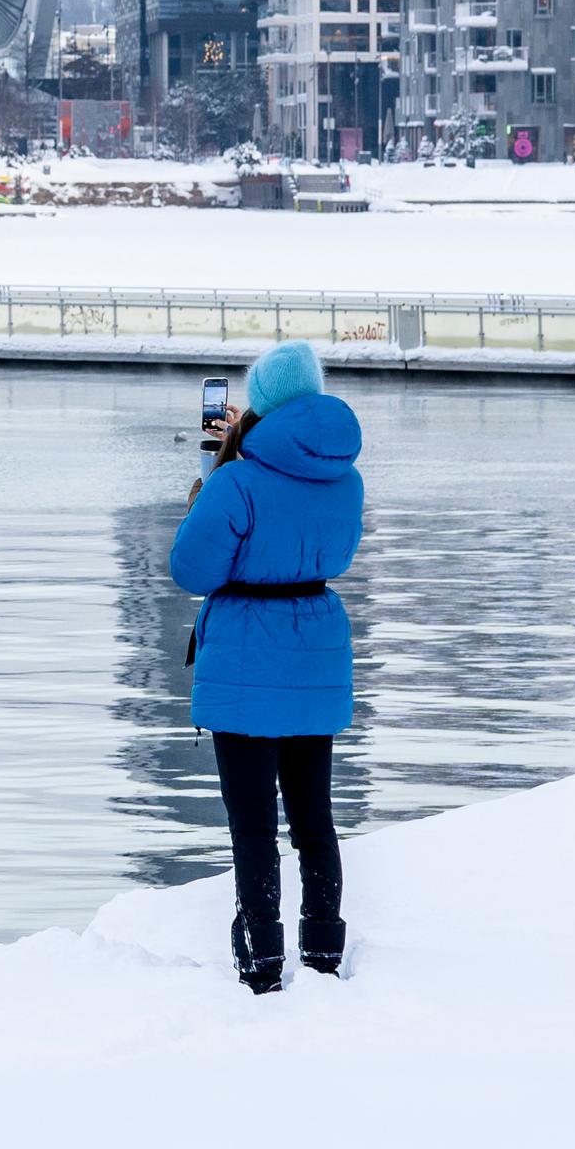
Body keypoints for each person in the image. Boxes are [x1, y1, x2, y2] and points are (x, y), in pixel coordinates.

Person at [168, 337, 363, 994]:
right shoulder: (347, 476)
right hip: (317, 650)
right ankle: (325, 948)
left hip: (248, 657)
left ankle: (261, 960)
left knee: (253, 823)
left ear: (262, 404)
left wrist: (205, 497)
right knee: (314, 816)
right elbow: (337, 554)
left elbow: (192, 569)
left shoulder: (238, 480)